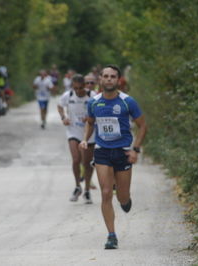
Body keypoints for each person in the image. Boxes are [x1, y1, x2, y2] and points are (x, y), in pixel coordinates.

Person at [79, 65, 147, 249]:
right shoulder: (94, 102)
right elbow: (90, 123)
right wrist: (85, 139)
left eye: (113, 76)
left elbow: (142, 126)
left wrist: (136, 149)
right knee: (106, 192)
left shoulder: (127, 102)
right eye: (106, 76)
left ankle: (125, 197)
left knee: (122, 198)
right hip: (102, 151)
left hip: (123, 151)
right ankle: (111, 235)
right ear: (100, 79)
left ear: (118, 80)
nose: (109, 79)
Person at [57, 74, 97, 204]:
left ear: (85, 86)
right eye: (76, 88)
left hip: (88, 133)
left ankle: (86, 191)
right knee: (76, 159)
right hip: (73, 131)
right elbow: (59, 105)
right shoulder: (68, 95)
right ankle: (77, 186)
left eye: (80, 88)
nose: (78, 91)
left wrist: (91, 118)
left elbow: (100, 109)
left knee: (87, 163)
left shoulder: (92, 95)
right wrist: (64, 118)